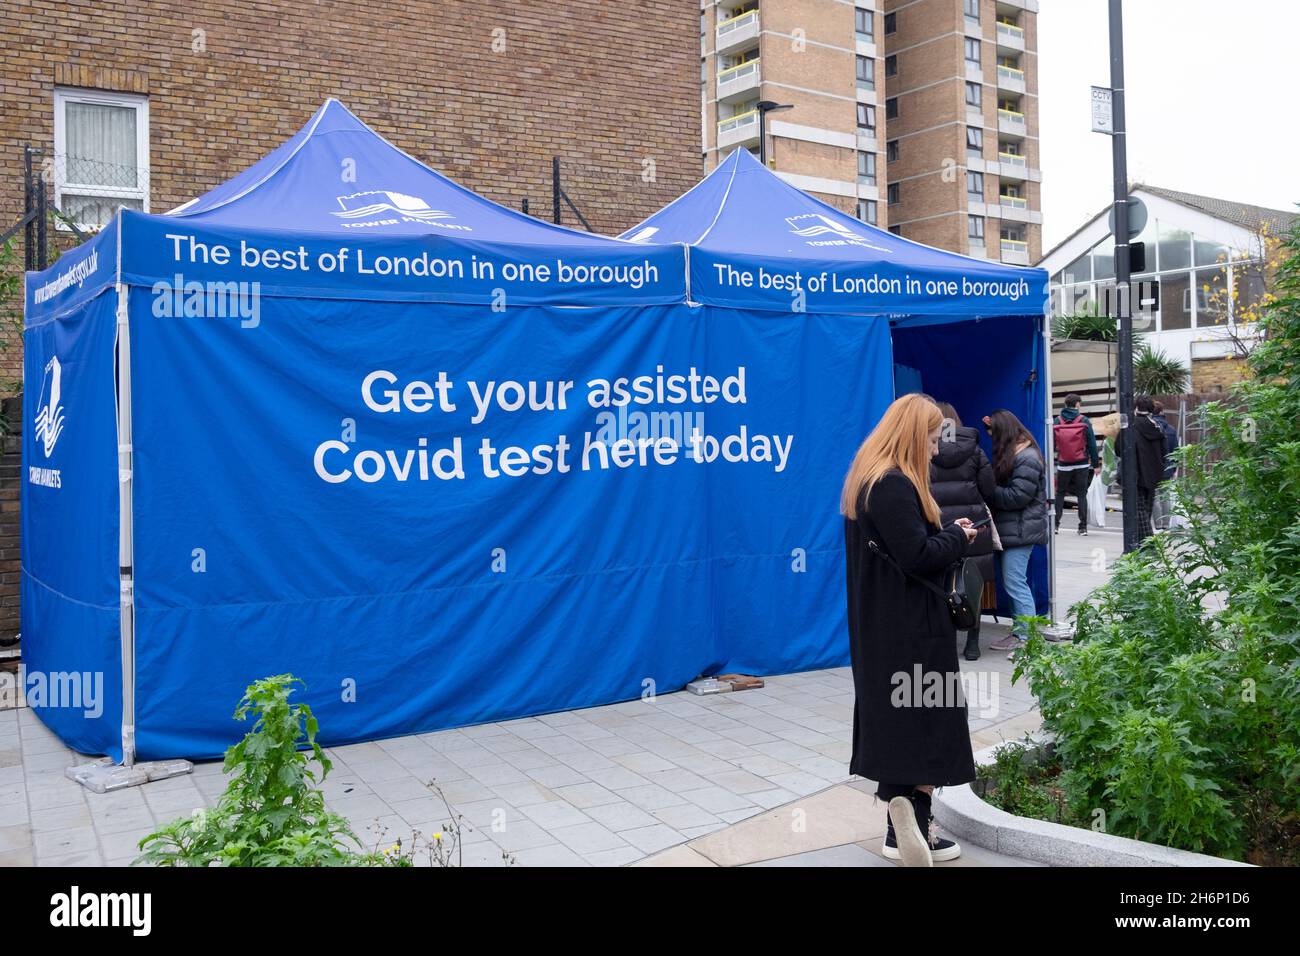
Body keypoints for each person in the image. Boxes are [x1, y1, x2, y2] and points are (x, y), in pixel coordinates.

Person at [842, 393, 981, 867]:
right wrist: (959, 537)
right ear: (910, 435)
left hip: (880, 627)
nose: (937, 448)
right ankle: (918, 823)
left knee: (903, 720)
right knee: (930, 720)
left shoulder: (868, 482)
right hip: (914, 626)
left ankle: (898, 826)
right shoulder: (894, 485)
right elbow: (918, 557)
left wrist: (945, 535)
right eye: (931, 437)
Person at [930, 402, 998, 661]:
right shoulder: (975, 450)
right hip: (972, 523)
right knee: (971, 581)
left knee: (943, 581)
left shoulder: (928, 449)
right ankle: (972, 644)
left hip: (940, 524)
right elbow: (989, 488)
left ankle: (945, 639)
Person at [983, 409, 1049, 653]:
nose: (992, 440)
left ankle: (1027, 637)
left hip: (1022, 531)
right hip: (1015, 529)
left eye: (994, 434)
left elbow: (1017, 497)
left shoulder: (1027, 457)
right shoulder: (1019, 453)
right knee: (1014, 582)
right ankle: (1021, 632)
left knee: (1015, 582)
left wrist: (987, 490)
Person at [1116, 395, 1168, 541]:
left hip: (1135, 473)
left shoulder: (1130, 426)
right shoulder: (1157, 427)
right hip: (1154, 473)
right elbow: (1165, 451)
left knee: (1138, 511)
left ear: (1136, 408)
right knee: (1146, 509)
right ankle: (1141, 543)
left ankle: (1148, 543)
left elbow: (1119, 449)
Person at [1052, 393, 1102, 535]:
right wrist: (1096, 465)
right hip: (1082, 463)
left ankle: (1056, 525)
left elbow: (1052, 443)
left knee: (1060, 493)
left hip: (1063, 463)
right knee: (1081, 494)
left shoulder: (1057, 421)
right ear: (1077, 404)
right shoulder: (1084, 420)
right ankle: (1082, 527)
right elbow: (1092, 444)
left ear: (1065, 404)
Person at [1150, 400, 1180, 530]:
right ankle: (1167, 523)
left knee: (1155, 497)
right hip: (1167, 468)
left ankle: (1158, 524)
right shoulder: (1171, 430)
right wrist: (1173, 468)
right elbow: (1176, 451)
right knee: (1166, 497)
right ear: (1162, 412)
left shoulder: (1150, 428)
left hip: (1153, 468)